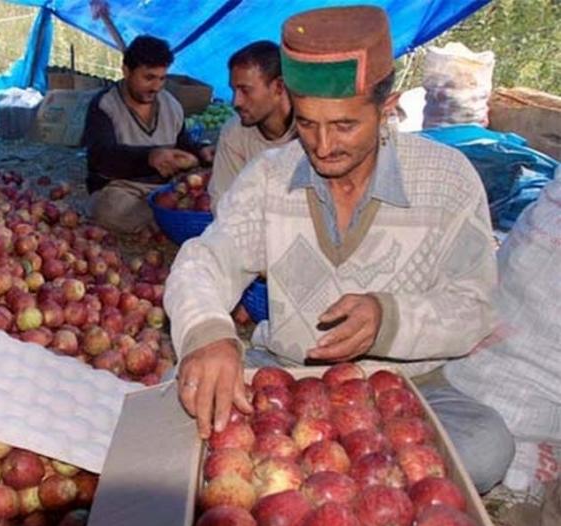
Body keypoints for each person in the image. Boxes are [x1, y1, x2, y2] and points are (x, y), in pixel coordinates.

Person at [163, 5, 514, 493]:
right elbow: (207, 259)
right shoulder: (268, 178)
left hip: (403, 389)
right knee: (175, 409)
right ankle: (351, 480)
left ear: (386, 109)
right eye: (307, 124)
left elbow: (474, 306)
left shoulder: (448, 180)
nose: (323, 146)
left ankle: (304, 478)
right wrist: (207, 333)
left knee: (484, 445)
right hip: (287, 378)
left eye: (345, 125)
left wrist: (388, 318)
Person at [82, 35, 213, 234]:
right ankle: (167, 221)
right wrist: (150, 157)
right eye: (149, 78)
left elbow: (182, 144)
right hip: (121, 189)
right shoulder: (104, 105)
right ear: (126, 71)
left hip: (166, 188)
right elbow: (101, 156)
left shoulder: (171, 105)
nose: (156, 87)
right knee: (108, 206)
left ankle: (162, 220)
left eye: (162, 78)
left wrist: (201, 151)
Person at [208, 41, 296, 208]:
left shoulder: (311, 128)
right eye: (234, 91)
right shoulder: (234, 133)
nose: (236, 102)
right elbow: (224, 203)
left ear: (279, 86)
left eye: (245, 90)